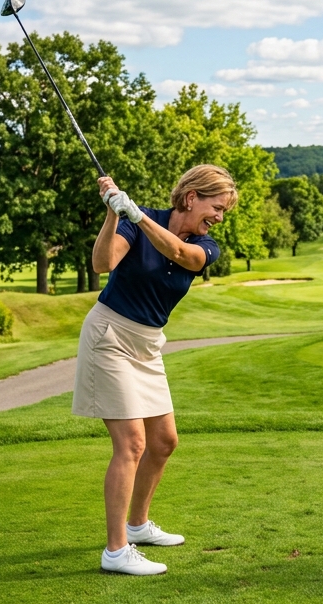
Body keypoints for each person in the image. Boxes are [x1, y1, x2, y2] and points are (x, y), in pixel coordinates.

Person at [77, 164, 237, 576]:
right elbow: (102, 263)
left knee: (163, 441)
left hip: (148, 345)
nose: (219, 217)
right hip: (110, 335)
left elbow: (180, 254)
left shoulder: (205, 245)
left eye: (223, 212)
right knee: (131, 444)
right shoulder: (135, 219)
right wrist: (114, 211)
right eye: (216, 207)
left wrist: (135, 215)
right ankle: (116, 551)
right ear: (191, 197)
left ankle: (138, 526)